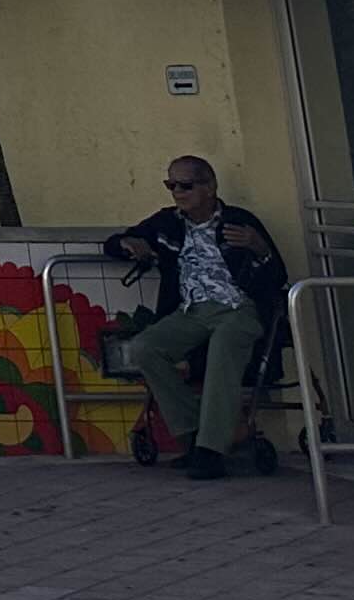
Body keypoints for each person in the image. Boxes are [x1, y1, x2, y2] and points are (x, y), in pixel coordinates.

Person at [110, 155, 289, 478]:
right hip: (191, 310)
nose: (178, 192)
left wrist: (259, 248)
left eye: (186, 185)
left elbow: (277, 276)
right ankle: (193, 435)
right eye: (171, 185)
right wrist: (128, 243)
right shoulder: (168, 223)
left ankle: (211, 451)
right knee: (144, 348)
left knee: (225, 347)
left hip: (238, 306)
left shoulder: (239, 221)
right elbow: (116, 243)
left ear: (210, 187)